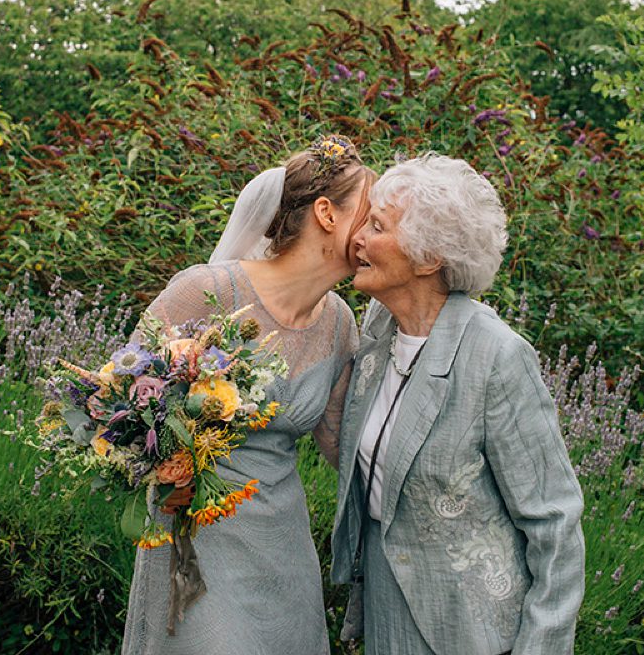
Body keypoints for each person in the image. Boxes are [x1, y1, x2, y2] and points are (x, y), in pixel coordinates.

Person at [121, 135, 374, 655]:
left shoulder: (339, 324)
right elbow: (122, 401)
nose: (376, 230)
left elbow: (347, 447)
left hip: (283, 550)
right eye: (369, 214)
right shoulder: (207, 291)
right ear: (327, 214)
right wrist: (169, 451)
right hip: (196, 538)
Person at [330, 153, 585, 655]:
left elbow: (554, 521)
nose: (357, 236)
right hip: (387, 609)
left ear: (429, 259)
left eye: (377, 225)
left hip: (476, 631)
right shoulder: (379, 329)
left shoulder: (496, 356)